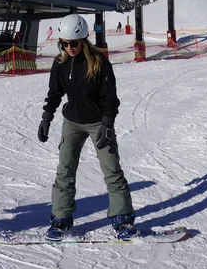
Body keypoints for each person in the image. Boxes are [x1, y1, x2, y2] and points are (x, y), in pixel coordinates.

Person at [38, 14, 136, 240]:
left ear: (84, 40)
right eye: (65, 43)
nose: (69, 48)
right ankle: (61, 219)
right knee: (65, 170)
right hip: (72, 122)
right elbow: (54, 93)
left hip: (97, 123)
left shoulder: (99, 61)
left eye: (74, 43)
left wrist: (107, 124)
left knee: (111, 170)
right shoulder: (60, 63)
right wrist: (46, 118)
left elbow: (110, 97)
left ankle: (122, 219)